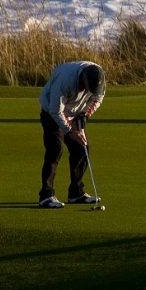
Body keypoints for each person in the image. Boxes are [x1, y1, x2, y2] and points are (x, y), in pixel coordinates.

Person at [37, 61, 106, 208]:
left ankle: (76, 193)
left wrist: (84, 115)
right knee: (55, 149)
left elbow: (98, 98)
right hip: (51, 112)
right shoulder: (65, 80)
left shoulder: (99, 79)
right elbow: (55, 110)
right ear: (84, 79)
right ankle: (46, 195)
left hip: (75, 112)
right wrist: (70, 131)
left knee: (82, 148)